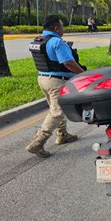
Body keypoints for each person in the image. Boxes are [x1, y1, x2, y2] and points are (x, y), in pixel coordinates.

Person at [27, 15, 86, 157]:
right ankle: (37, 143)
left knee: (56, 108)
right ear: (56, 27)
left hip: (43, 79)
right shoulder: (57, 42)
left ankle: (62, 134)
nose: (63, 29)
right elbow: (68, 63)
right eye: (62, 26)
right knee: (57, 112)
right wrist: (82, 73)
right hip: (57, 81)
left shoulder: (39, 41)